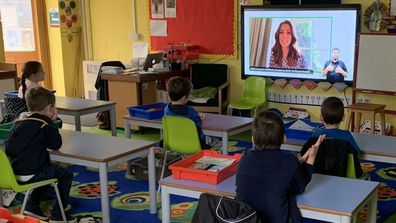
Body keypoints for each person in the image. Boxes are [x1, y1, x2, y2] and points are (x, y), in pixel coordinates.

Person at [235, 111, 325, 223]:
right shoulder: (289, 160)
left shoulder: (245, 158)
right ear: (284, 138)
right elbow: (299, 187)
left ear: (252, 139)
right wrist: (311, 159)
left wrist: (297, 163)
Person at [4, 87, 76, 223]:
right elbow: (56, 144)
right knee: (64, 174)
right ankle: (58, 214)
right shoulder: (44, 124)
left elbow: (10, 148)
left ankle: (31, 205)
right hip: (33, 173)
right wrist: (53, 121)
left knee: (47, 170)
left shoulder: (18, 121)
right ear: (49, 108)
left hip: (15, 172)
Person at [164, 76, 220, 149]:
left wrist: (196, 115)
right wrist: (198, 117)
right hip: (196, 144)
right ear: (184, 97)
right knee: (217, 142)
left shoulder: (167, 109)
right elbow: (198, 124)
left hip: (175, 143)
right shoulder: (190, 111)